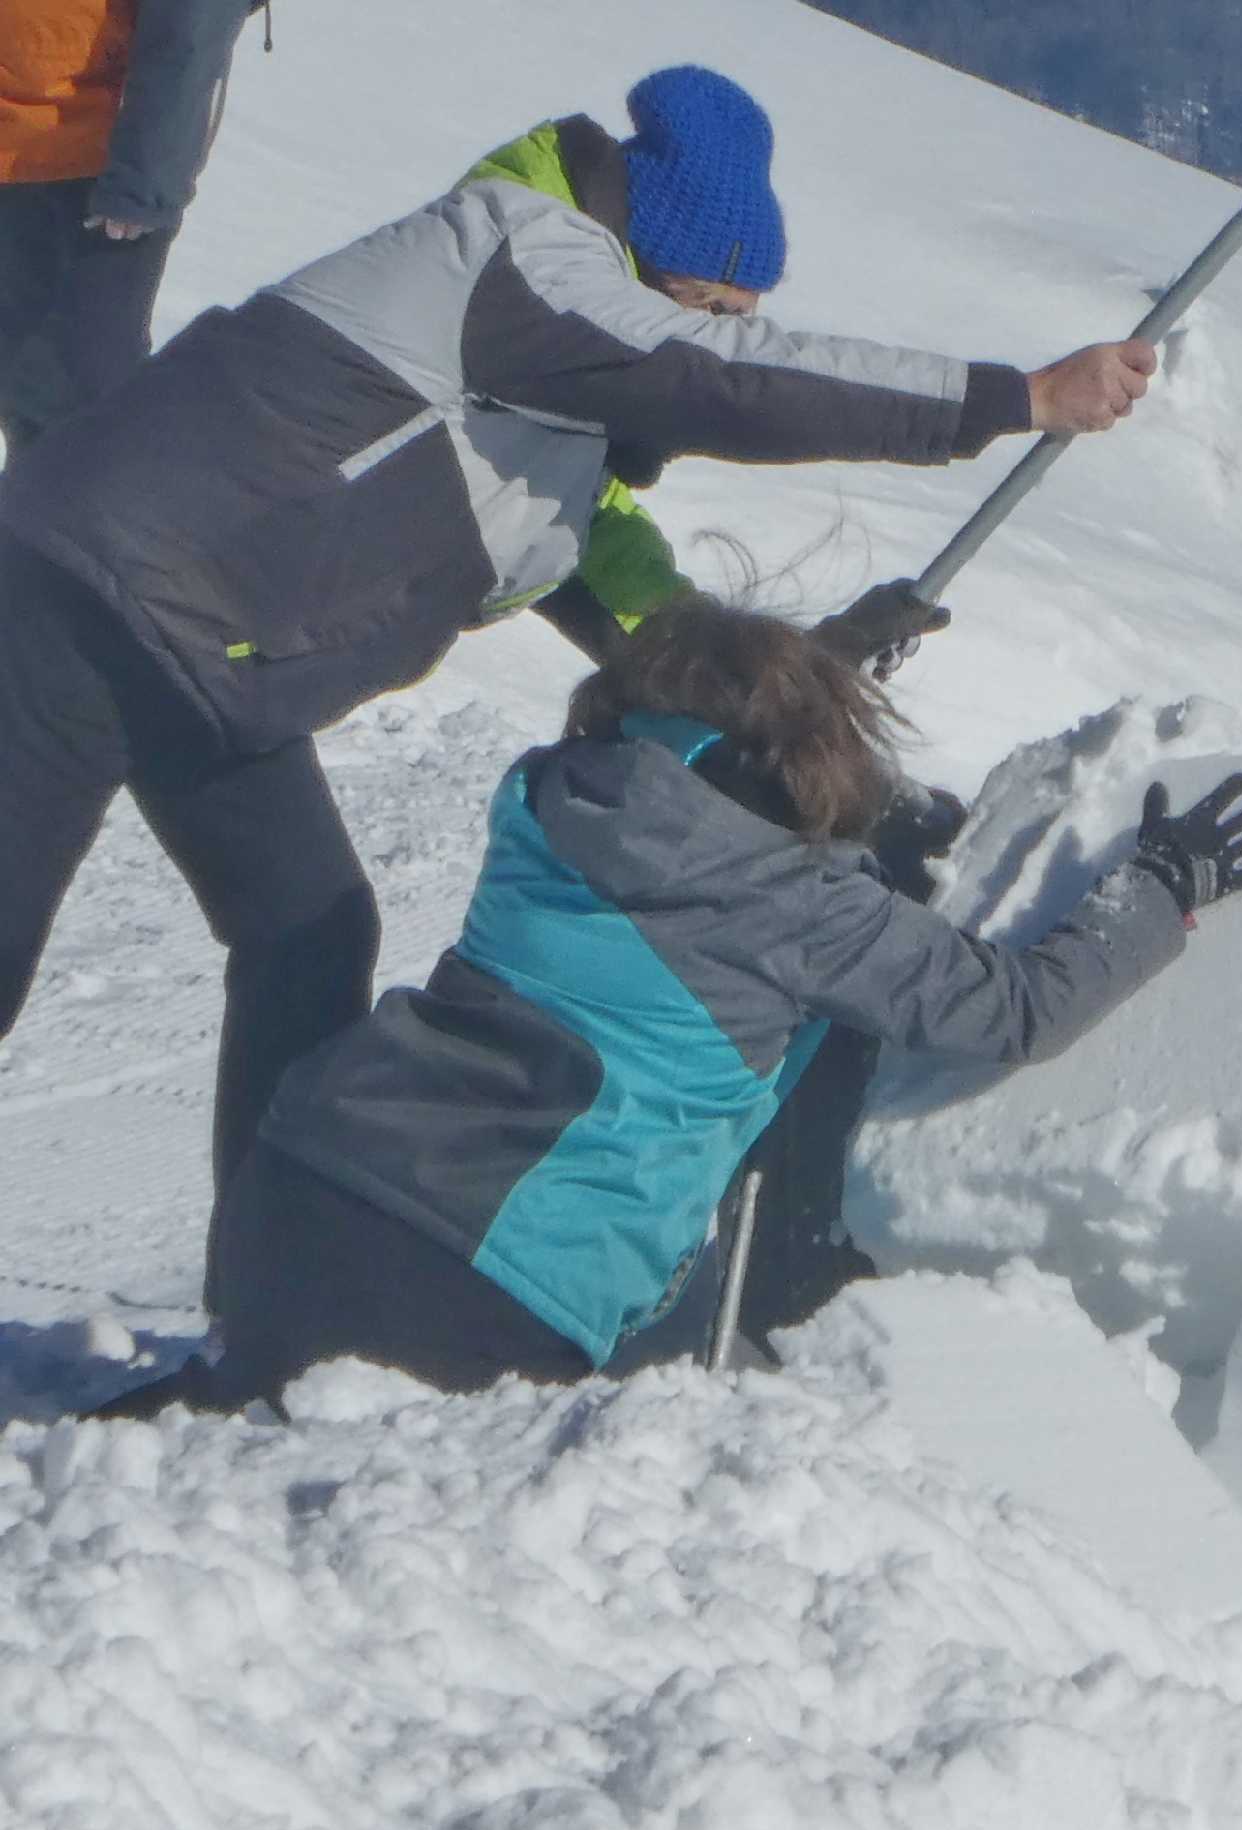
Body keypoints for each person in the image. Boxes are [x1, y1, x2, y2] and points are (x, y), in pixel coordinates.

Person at [0, 62, 1161, 1285]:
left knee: (309, 929)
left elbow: (633, 604)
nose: (717, 331)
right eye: (710, 304)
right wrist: (1017, 398)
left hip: (202, 663)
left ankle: (266, 1284)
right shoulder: (511, 254)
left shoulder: (544, 418)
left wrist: (799, 675)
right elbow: (725, 384)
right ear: (648, 256)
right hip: (82, 595)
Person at [128, 597, 1242, 1414]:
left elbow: (686, 774)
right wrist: (1161, 884)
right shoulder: (804, 905)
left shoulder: (551, 798)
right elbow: (1018, 1007)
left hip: (287, 1205)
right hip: (476, 1286)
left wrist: (797, 683)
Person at [0, 0, 256, 449]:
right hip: (33, 138)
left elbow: (190, 33)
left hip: (80, 160)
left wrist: (145, 178)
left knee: (77, 396)